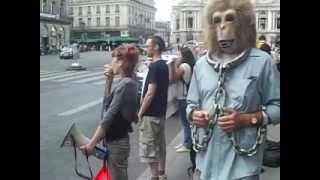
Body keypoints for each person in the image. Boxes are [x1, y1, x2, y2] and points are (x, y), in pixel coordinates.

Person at [187, 0, 280, 180]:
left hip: (243, 168)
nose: (222, 26)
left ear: (243, 22)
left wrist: (248, 119)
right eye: (217, 20)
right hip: (206, 165)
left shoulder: (262, 62)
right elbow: (191, 104)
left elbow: (277, 106)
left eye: (229, 18)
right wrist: (194, 115)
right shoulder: (200, 66)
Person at [80, 44, 140, 180]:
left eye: (112, 59)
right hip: (115, 141)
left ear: (121, 62)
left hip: (117, 143)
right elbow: (107, 105)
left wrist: (91, 144)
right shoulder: (127, 81)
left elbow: (108, 117)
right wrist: (109, 80)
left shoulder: (126, 84)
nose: (110, 63)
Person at [138, 35, 169, 180]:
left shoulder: (155, 67)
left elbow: (150, 93)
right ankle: (162, 174)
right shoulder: (163, 65)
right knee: (160, 145)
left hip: (150, 115)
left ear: (156, 47)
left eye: (148, 45)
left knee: (149, 148)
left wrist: (140, 112)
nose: (145, 48)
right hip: (160, 113)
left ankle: (154, 176)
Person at [171, 46, 195, 153]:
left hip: (183, 97)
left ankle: (187, 144)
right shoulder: (189, 64)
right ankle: (185, 141)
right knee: (186, 122)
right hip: (185, 96)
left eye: (179, 54)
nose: (178, 56)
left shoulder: (183, 66)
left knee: (185, 122)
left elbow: (173, 77)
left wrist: (174, 64)